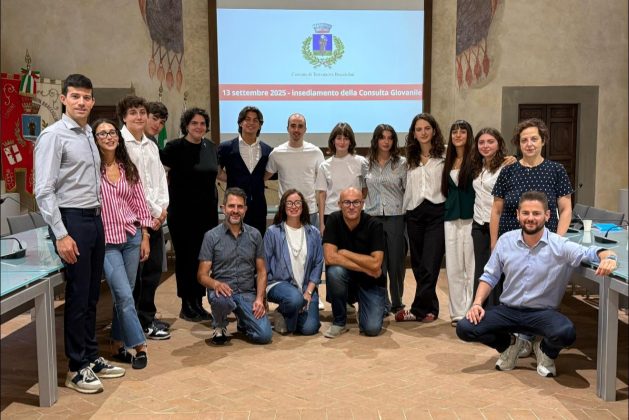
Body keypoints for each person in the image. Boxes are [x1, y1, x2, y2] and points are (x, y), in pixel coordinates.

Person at [456, 191, 618, 377]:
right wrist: (477, 303)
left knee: (566, 333)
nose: (530, 218)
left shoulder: (559, 245)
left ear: (547, 215)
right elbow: (489, 276)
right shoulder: (505, 241)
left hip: (542, 314)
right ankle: (509, 344)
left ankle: (546, 351)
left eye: (536, 213)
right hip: (508, 310)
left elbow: (594, 252)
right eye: (525, 213)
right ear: (518, 215)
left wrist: (609, 258)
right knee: (465, 328)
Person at [35, 74, 124, 394]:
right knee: (77, 294)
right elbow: (44, 190)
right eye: (75, 96)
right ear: (63, 99)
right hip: (71, 219)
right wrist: (61, 234)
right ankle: (75, 368)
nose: (82, 102)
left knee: (91, 295)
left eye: (87, 97)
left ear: (92, 100)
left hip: (94, 219)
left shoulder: (88, 133)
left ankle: (90, 356)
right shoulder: (53, 136)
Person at [490, 118, 573, 356]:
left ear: (543, 141)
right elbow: (496, 210)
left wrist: (558, 241)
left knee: (541, 291)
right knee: (515, 290)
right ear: (519, 143)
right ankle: (519, 338)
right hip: (512, 242)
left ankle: (538, 338)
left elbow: (566, 209)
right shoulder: (508, 171)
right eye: (524, 140)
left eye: (534, 139)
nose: (529, 144)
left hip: (544, 242)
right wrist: (494, 243)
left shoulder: (556, 170)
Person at [93, 119, 152, 370]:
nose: (108, 137)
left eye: (112, 132)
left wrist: (145, 235)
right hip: (107, 242)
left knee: (124, 294)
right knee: (124, 295)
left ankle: (117, 343)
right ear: (95, 140)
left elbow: (140, 204)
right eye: (102, 134)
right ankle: (139, 345)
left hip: (131, 237)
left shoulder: (128, 168)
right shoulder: (91, 170)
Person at [118, 95, 170, 340]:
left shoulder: (150, 145)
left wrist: (162, 209)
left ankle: (146, 318)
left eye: (142, 112)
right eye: (133, 113)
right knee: (135, 277)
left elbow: (159, 180)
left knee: (152, 272)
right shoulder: (119, 145)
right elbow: (132, 185)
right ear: (124, 117)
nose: (139, 117)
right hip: (133, 221)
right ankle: (136, 323)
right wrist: (153, 212)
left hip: (155, 218)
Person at [160, 107, 218, 322]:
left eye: (202, 123)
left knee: (203, 259)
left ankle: (198, 303)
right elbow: (158, 173)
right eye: (194, 123)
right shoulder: (174, 147)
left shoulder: (210, 147)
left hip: (207, 214)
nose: (199, 127)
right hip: (183, 215)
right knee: (186, 259)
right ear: (186, 125)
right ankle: (186, 305)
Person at [197, 187, 273, 345]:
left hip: (246, 293)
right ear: (223, 208)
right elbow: (201, 275)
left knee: (264, 336)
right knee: (221, 300)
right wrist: (215, 284)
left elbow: (261, 271)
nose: (235, 211)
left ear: (245, 210)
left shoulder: (255, 235)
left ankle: (243, 320)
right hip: (223, 292)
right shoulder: (211, 236)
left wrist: (260, 299)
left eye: (240, 206)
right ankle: (219, 325)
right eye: (231, 206)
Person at [396, 113, 446, 323]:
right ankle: (431, 308)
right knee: (417, 263)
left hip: (437, 212)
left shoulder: (445, 155)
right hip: (414, 213)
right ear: (414, 134)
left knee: (430, 263)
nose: (423, 132)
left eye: (427, 128)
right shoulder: (408, 160)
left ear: (434, 131)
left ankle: (417, 309)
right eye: (419, 129)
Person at [322, 187, 387, 338]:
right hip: (349, 278)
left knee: (371, 329)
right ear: (339, 204)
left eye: (356, 202)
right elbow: (330, 257)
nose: (351, 207)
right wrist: (365, 268)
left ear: (362, 204)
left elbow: (376, 264)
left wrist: (345, 253)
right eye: (347, 202)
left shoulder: (374, 225)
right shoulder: (333, 220)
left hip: (371, 282)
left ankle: (373, 306)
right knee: (335, 272)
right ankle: (339, 322)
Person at [264, 189, 323, 335]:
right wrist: (261, 295)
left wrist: (309, 292)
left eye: (297, 203)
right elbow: (264, 266)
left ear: (303, 206)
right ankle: (289, 308)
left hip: (306, 287)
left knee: (309, 328)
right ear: (283, 206)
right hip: (278, 283)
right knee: (294, 299)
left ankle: (286, 313)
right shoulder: (273, 232)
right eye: (289, 203)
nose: (294, 206)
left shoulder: (313, 232)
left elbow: (318, 264)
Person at [363, 124, 407, 314]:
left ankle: (397, 302)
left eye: (390, 138)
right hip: (373, 218)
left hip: (396, 217)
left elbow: (407, 190)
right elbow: (363, 190)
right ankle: (383, 301)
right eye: (382, 137)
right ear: (376, 140)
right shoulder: (366, 164)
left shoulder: (402, 163)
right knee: (378, 263)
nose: (386, 141)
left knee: (396, 263)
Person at [441, 120, 476, 326]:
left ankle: (471, 310)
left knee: (470, 266)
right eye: (454, 131)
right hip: (451, 216)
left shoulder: (476, 159)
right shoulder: (448, 159)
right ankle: (457, 312)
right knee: (453, 266)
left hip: (471, 216)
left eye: (463, 131)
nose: (458, 135)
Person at [470, 128, 510, 307]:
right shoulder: (478, 166)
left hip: (499, 225)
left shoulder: (506, 166)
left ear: (499, 144)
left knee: (498, 270)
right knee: (481, 269)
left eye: (490, 141)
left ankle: (496, 312)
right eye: (481, 142)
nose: (485, 146)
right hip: (478, 224)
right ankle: (479, 310)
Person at [218, 106, 272, 236]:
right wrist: (233, 178)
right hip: (234, 206)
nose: (251, 123)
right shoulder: (226, 147)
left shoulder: (267, 150)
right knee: (232, 239)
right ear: (240, 123)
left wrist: (256, 180)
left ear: (260, 125)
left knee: (258, 241)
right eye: (247, 119)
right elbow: (217, 171)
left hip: (258, 207)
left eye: (255, 120)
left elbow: (267, 173)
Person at [265, 113, 324, 228]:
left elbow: (324, 183)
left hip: (310, 212)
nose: (296, 129)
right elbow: (263, 177)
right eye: (293, 126)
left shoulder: (316, 152)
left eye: (300, 126)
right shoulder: (277, 153)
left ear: (305, 129)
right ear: (287, 128)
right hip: (286, 212)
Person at [315, 122, 368, 235]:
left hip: (356, 214)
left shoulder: (361, 162)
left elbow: (365, 189)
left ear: (351, 141)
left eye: (346, 138)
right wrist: (321, 224)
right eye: (339, 138)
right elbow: (322, 195)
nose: (342, 142)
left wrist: (357, 204)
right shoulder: (324, 166)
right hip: (331, 214)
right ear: (333, 141)